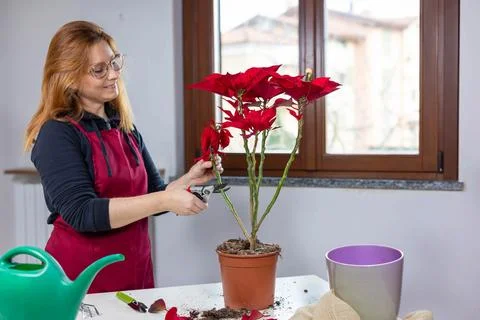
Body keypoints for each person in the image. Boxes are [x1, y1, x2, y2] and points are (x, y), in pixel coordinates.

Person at [24, 21, 223, 293]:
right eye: (99, 69)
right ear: (68, 77)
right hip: (80, 280)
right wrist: (165, 198)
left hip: (134, 271)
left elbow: (153, 193)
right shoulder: (57, 134)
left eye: (114, 62)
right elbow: (82, 213)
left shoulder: (124, 127)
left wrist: (190, 180)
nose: (114, 74)